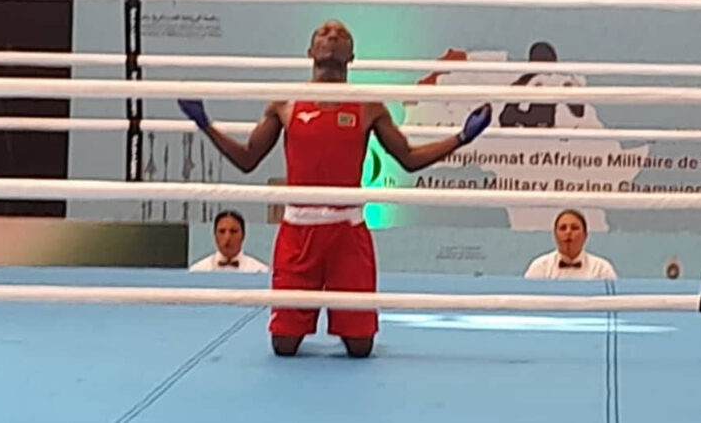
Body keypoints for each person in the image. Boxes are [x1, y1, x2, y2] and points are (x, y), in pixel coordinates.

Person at [178, 19, 492, 357]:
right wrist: (205, 124)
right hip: (298, 232)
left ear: (351, 55)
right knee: (284, 345)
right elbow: (247, 158)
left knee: (360, 347)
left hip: (348, 232)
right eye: (324, 33)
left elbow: (409, 158)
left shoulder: (369, 107)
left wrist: (462, 138)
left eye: (341, 34)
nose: (332, 36)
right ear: (310, 51)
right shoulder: (285, 104)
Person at [524, 209, 617, 280]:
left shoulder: (601, 268)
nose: (568, 232)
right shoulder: (540, 267)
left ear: (585, 235)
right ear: (555, 235)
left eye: (575, 228)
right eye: (563, 228)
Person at [190, 210, 268, 273]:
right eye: (222, 231)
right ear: (215, 236)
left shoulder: (260, 271)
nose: (227, 237)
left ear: (243, 235)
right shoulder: (198, 271)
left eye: (233, 231)